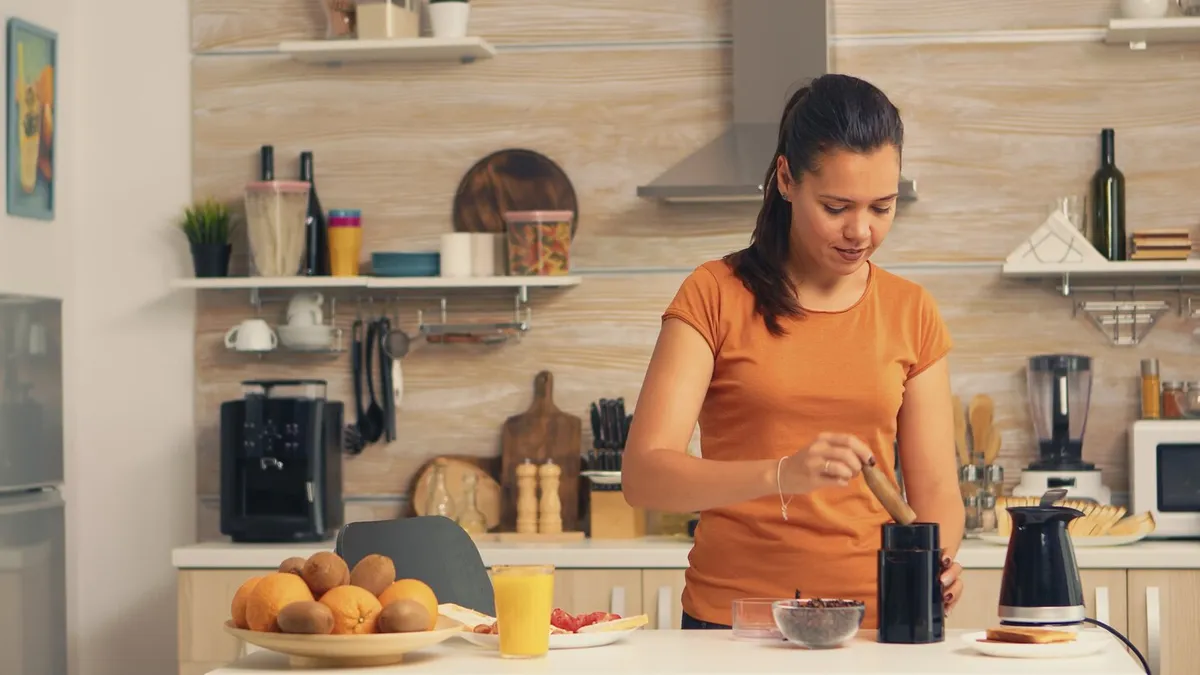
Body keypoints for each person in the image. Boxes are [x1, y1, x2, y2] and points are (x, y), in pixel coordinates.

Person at [621, 73, 965, 630]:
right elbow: (644, 477)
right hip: (735, 624)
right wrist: (781, 474)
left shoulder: (912, 310)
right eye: (836, 206)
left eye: (882, 207)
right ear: (786, 178)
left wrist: (939, 559)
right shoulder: (713, 294)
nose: (861, 231)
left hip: (872, 626)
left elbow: (938, 492)